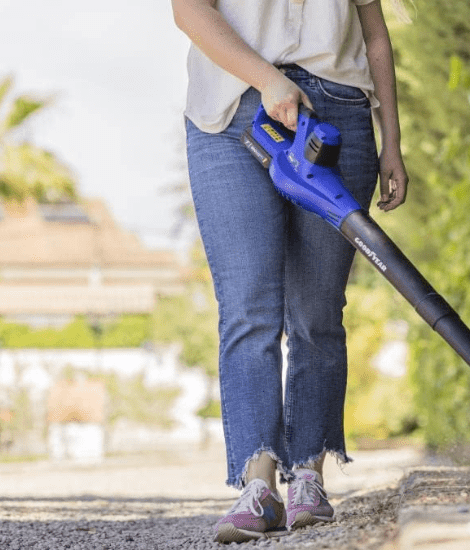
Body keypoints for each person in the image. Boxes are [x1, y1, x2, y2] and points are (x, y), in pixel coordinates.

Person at [171, 0, 409, 543]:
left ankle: (308, 476)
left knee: (317, 311)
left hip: (337, 112)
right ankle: (258, 486)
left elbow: (374, 36)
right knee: (249, 307)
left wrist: (391, 138)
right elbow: (189, 10)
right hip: (229, 115)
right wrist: (269, 79)